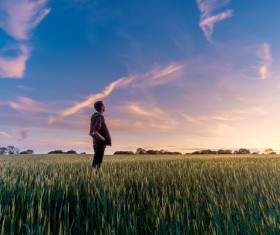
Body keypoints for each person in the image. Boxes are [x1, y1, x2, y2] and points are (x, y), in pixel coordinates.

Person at [89, 101, 111, 169]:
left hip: (96, 143)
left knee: (96, 163)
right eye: (103, 105)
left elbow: (91, 133)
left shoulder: (94, 117)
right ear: (101, 107)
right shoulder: (99, 117)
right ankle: (94, 178)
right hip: (100, 144)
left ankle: (92, 177)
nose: (104, 106)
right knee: (98, 164)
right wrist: (104, 140)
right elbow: (95, 132)